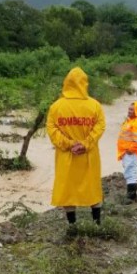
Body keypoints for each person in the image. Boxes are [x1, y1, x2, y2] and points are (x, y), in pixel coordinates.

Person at [46, 67, 106, 231]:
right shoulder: (95, 106)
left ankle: (72, 226)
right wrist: (85, 143)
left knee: (68, 190)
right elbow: (100, 127)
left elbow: (52, 130)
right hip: (89, 156)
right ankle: (97, 224)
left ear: (67, 83)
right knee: (92, 187)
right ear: (84, 83)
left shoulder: (56, 107)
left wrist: (69, 144)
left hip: (67, 157)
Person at [117, 101, 137, 203]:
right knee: (129, 172)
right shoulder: (132, 120)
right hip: (126, 152)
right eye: (129, 109)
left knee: (131, 174)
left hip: (130, 152)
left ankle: (131, 197)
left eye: (131, 109)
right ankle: (131, 196)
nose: (129, 111)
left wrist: (130, 150)